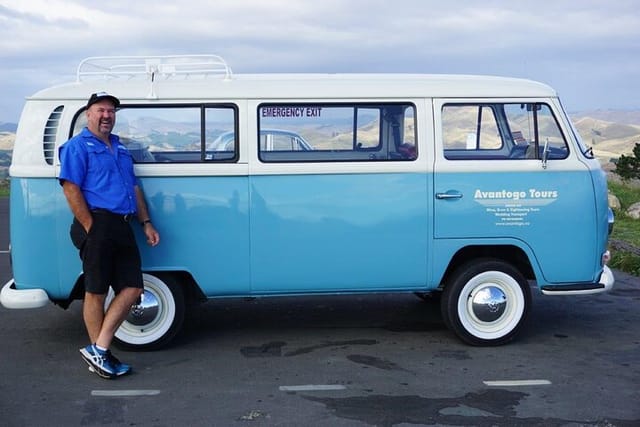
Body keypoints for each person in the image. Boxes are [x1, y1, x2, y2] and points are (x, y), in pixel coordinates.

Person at [58, 92, 160, 379]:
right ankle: (99, 354)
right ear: (88, 114)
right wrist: (91, 227)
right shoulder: (77, 147)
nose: (107, 115)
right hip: (98, 223)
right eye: (101, 110)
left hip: (123, 224)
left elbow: (134, 188)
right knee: (96, 291)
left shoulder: (120, 147)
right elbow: (70, 188)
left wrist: (146, 223)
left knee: (133, 288)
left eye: (111, 111)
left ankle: (99, 349)